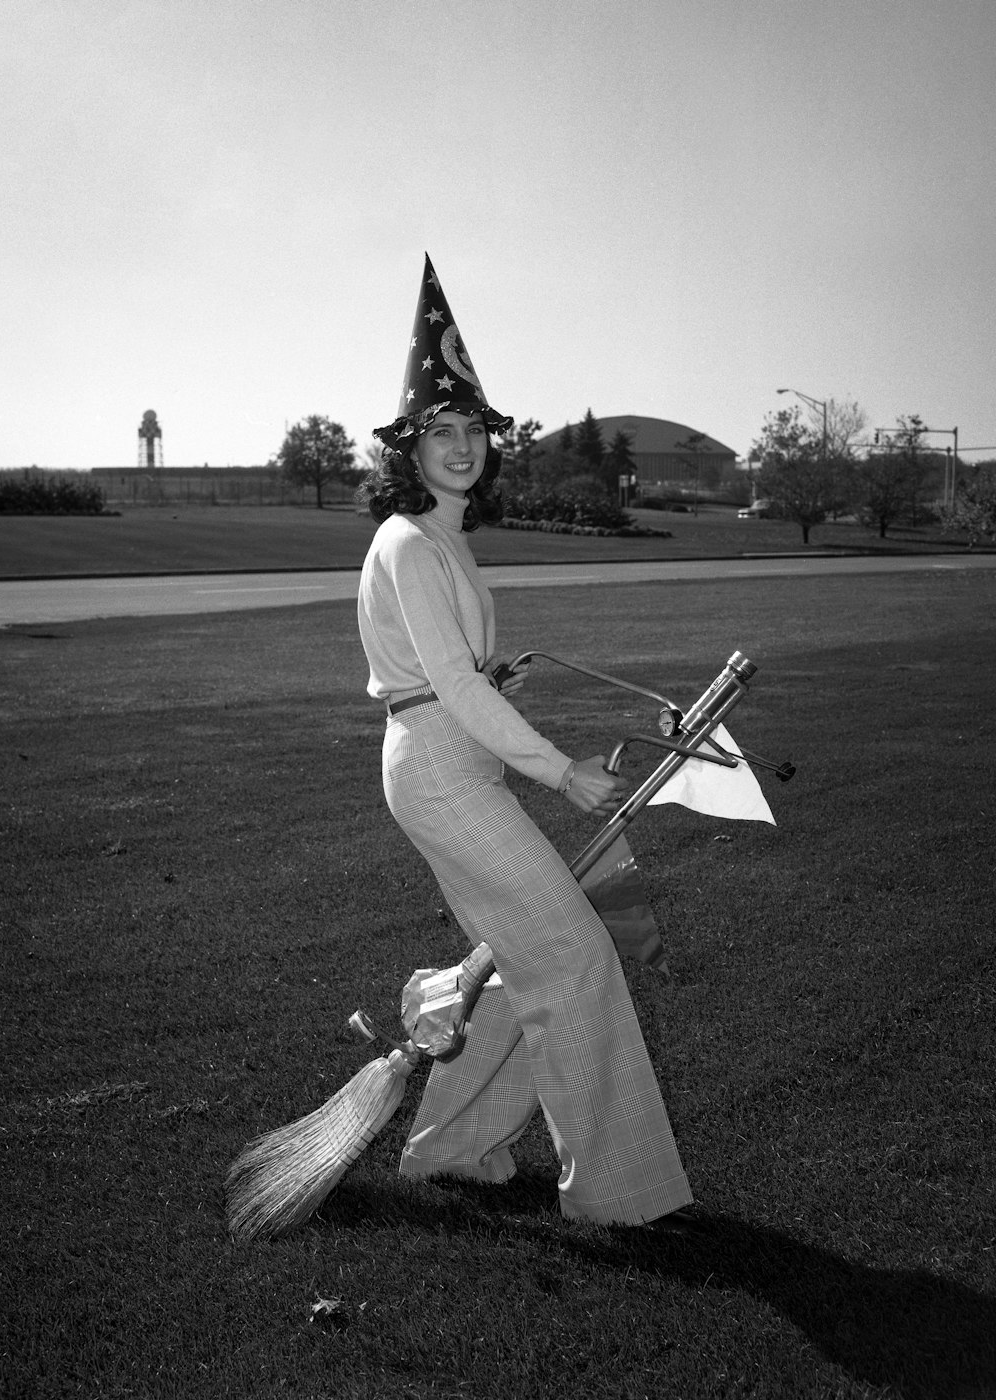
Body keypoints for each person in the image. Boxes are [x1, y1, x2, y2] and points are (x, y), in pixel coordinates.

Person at [356, 254, 694, 1229]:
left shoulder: (450, 541)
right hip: (436, 769)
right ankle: (618, 1195)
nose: (461, 445)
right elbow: (448, 682)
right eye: (441, 430)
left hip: (454, 758)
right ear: (408, 446)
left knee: (518, 954)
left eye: (472, 429)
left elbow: (460, 672)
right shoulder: (406, 540)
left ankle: (452, 1147)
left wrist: (508, 693)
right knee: (576, 953)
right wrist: (558, 768)